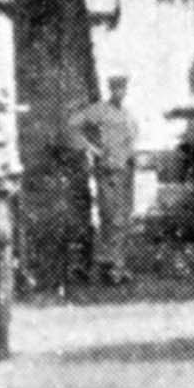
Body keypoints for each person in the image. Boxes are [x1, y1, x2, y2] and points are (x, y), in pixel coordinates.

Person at [68, 76, 139, 285]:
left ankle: (118, 265)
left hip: (125, 169)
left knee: (123, 218)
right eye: (116, 88)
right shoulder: (100, 110)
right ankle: (110, 267)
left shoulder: (126, 113)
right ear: (110, 89)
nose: (120, 92)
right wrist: (92, 149)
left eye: (123, 88)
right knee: (110, 217)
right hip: (108, 170)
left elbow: (131, 138)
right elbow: (73, 125)